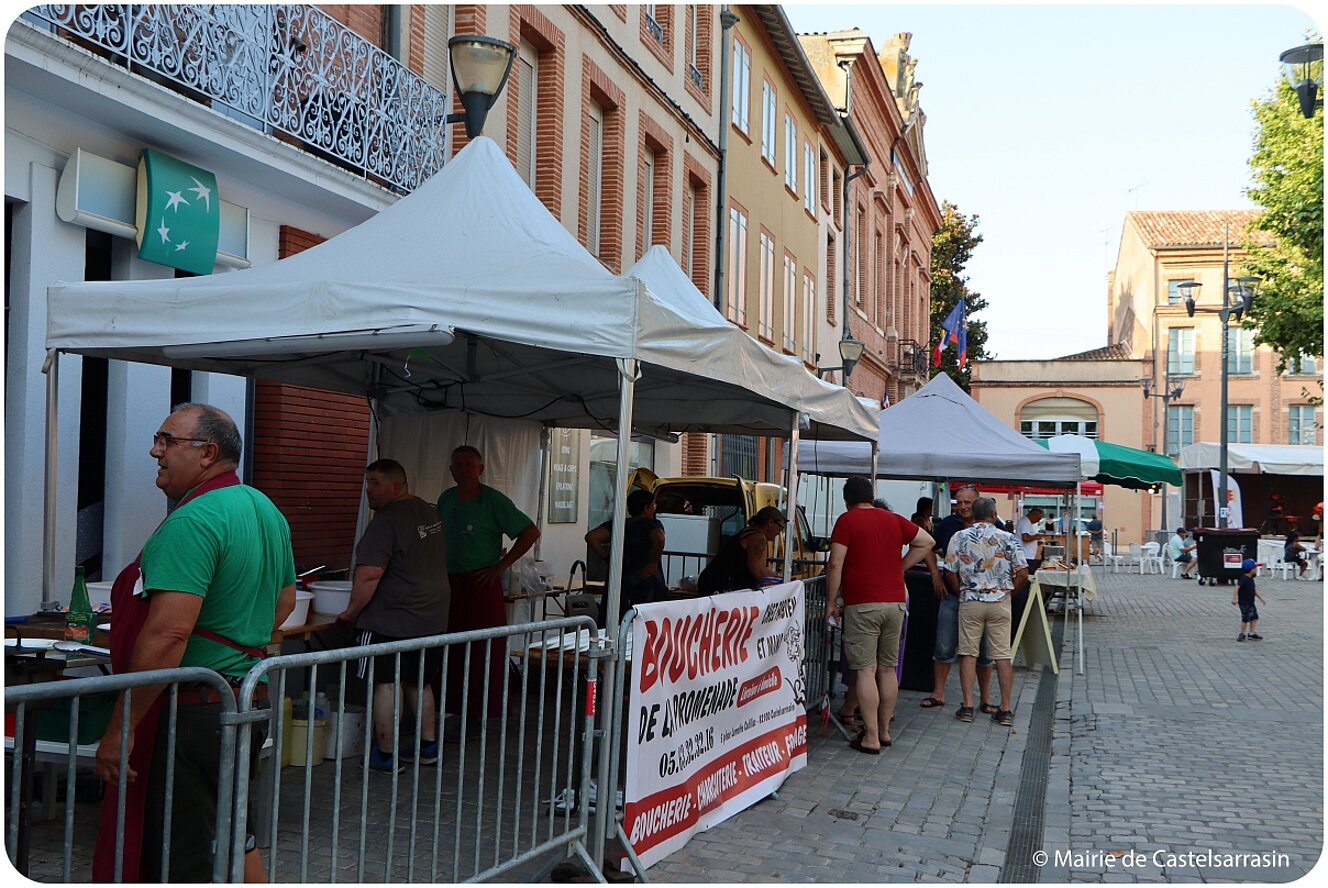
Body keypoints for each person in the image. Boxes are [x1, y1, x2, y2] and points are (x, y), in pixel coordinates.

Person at [93, 403, 295, 883]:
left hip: (192, 713)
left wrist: (122, 725)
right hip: (243, 700)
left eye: (166, 440)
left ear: (207, 453)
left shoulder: (194, 521)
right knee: (232, 832)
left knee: (181, 857)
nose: (154, 450)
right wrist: (238, 643)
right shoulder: (263, 507)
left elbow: (169, 633)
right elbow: (284, 603)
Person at [338, 459, 449, 771]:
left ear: (396, 487)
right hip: (431, 616)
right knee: (419, 681)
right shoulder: (428, 512)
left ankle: (386, 754)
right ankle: (428, 748)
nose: (368, 491)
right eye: (367, 483)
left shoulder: (385, 522)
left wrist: (351, 612)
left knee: (386, 683)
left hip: (392, 619)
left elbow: (370, 575)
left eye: (375, 483)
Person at [826, 477, 935, 753]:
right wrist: (900, 567)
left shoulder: (847, 521)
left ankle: (871, 737)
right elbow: (927, 541)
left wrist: (831, 601)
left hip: (863, 603)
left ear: (846, 500)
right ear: (871, 497)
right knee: (887, 669)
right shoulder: (893, 519)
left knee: (865, 670)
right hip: (895, 603)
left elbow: (836, 563)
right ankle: (885, 731)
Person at [437, 445, 539, 728]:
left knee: (486, 649)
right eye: (458, 465)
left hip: (481, 583)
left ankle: (485, 713)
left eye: (470, 464)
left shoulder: (493, 501)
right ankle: (452, 709)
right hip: (451, 584)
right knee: (451, 649)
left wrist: (499, 568)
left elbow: (530, 531)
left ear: (481, 469)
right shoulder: (446, 499)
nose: (464, 470)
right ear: (451, 471)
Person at [946, 496, 1028, 728]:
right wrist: (1008, 594)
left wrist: (961, 591)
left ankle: (968, 706)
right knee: (1002, 655)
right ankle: (1005, 708)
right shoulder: (1008, 538)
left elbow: (950, 571)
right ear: (994, 514)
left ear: (973, 514)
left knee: (968, 653)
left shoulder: (960, 537)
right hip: (1000, 600)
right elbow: (1023, 573)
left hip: (970, 600)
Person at [920, 484, 995, 714]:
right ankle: (938, 693)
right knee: (943, 646)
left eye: (967, 502)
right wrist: (936, 576)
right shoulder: (948, 525)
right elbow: (927, 546)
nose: (962, 506)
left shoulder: (994, 526)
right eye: (958, 502)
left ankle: (984, 698)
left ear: (978, 503)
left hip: (983, 599)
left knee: (984, 652)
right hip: (952, 598)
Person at [584, 488, 668, 621]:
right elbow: (660, 538)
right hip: (646, 581)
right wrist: (652, 564)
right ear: (646, 508)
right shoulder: (651, 524)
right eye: (653, 505)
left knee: (617, 619)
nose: (654, 509)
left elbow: (591, 537)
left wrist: (607, 558)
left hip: (620, 579)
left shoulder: (619, 524)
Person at [696, 506, 786, 594]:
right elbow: (758, 571)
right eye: (780, 528)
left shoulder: (749, 532)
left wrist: (777, 577)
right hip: (720, 585)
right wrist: (781, 581)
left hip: (714, 581)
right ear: (770, 523)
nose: (779, 532)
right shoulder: (758, 538)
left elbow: (760, 569)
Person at [1233, 558, 1266, 641]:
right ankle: (1242, 633)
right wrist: (1234, 598)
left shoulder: (1251, 579)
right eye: (1255, 568)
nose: (1256, 569)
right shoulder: (1243, 579)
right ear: (1251, 570)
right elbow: (1237, 587)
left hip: (1251, 602)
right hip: (1244, 603)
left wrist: (1260, 598)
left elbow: (1253, 590)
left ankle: (1251, 633)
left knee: (1254, 617)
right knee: (1245, 618)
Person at [1016, 507, 1047, 574]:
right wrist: (1036, 536)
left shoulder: (1027, 522)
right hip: (1025, 556)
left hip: (1028, 555)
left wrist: (1036, 541)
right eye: (1038, 518)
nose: (1038, 521)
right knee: (1030, 576)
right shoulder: (1025, 522)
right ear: (1034, 515)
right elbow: (1025, 538)